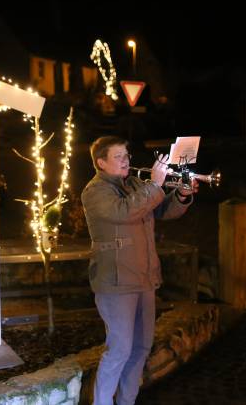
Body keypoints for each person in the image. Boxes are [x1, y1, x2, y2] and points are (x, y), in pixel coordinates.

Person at [81, 136, 197, 405]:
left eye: (127, 155)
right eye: (118, 156)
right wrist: (155, 183)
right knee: (120, 349)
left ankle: (126, 401)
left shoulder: (133, 184)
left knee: (142, 348)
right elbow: (125, 212)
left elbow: (161, 209)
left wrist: (181, 194)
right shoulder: (95, 191)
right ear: (101, 162)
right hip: (117, 282)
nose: (126, 161)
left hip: (144, 277)